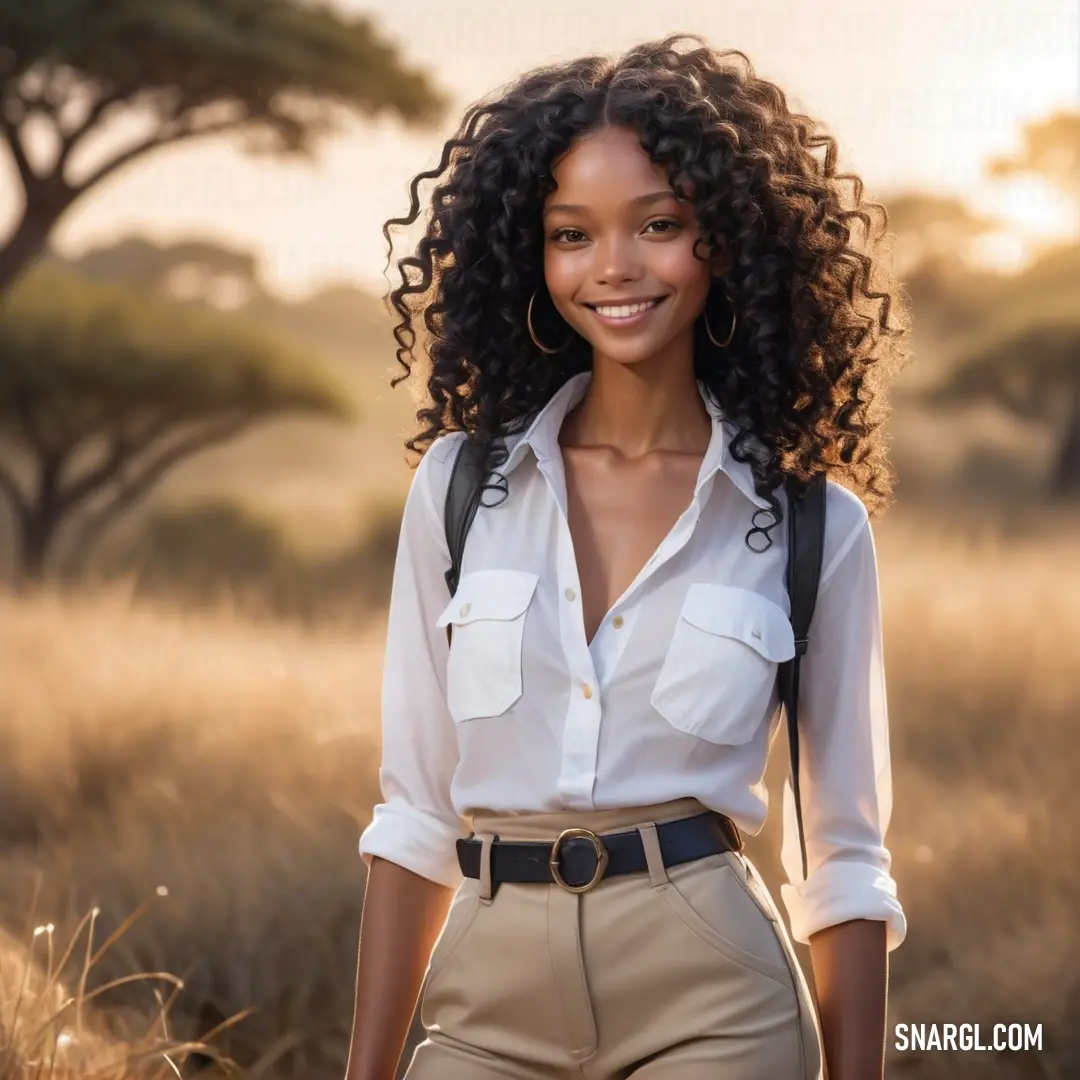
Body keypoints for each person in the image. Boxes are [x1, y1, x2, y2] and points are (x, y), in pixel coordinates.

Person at [346, 34, 910, 1080]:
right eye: (572, 234)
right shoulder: (462, 490)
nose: (613, 267)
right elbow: (416, 815)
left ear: (728, 241)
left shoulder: (810, 523)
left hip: (715, 1000)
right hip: (484, 1006)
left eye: (659, 225)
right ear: (533, 254)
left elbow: (846, 858)